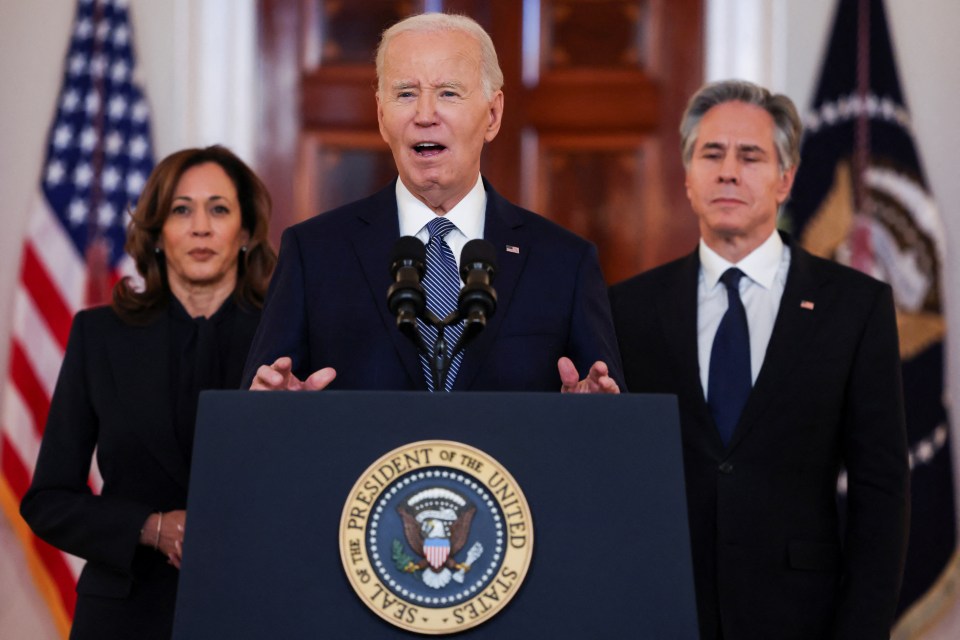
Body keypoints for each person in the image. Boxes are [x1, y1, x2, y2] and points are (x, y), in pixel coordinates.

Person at [609, 80, 909, 639]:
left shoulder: (855, 307)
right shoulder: (628, 308)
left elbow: (881, 489)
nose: (728, 172)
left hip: (802, 618)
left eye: (750, 156)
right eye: (711, 154)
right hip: (662, 612)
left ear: (785, 178)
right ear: (688, 176)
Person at [242, 13, 621, 394]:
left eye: (448, 93)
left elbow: (612, 423)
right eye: (406, 93)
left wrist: (590, 418)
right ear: (381, 115)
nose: (425, 115)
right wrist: (278, 411)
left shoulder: (564, 263)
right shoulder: (314, 254)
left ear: (492, 114)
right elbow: (259, 415)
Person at [20, 145, 277, 639]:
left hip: (253, 607)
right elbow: (48, 500)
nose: (201, 227)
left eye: (218, 209)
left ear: (245, 233)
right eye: (181, 210)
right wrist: (151, 526)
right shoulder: (99, 336)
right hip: (125, 613)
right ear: (157, 233)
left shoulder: (286, 340)